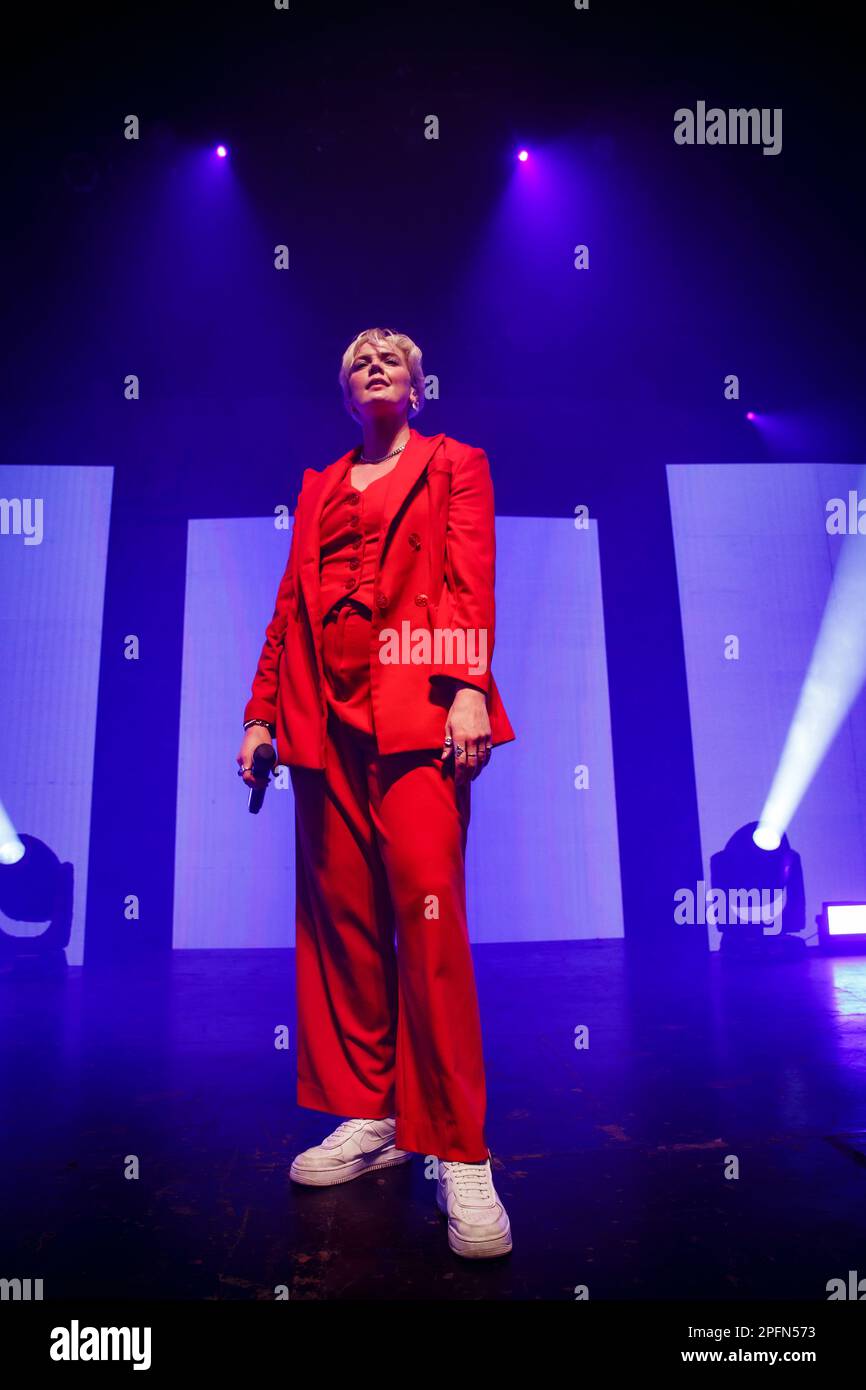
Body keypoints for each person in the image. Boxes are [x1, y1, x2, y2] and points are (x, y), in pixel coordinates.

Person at [237, 327, 516, 1258]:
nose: (373, 357)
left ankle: (462, 1153)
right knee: (346, 928)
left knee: (429, 927)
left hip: (418, 711)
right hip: (322, 727)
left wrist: (470, 683)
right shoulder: (318, 486)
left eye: (392, 352)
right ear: (346, 393)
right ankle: (375, 1116)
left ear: (420, 384)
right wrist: (260, 715)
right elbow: (289, 607)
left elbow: (468, 577)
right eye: (357, 355)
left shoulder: (454, 464)